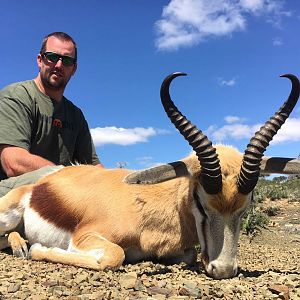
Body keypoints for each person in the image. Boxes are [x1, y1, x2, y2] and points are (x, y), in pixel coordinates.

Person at [0, 32, 103, 197]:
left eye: (67, 60)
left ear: (74, 69)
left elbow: (94, 167)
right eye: (52, 57)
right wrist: (69, 176)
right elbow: (13, 163)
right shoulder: (17, 95)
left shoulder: (75, 114)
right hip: (13, 195)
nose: (59, 65)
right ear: (40, 60)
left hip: (63, 193)